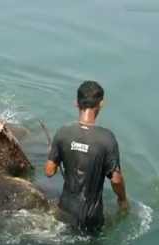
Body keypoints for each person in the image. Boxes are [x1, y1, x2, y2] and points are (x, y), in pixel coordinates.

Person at [44, 80, 128, 233]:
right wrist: (122, 200)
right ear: (101, 104)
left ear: (76, 103)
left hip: (65, 211)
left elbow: (49, 172)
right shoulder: (107, 139)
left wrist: (54, 151)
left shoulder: (63, 133)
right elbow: (116, 180)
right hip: (92, 217)